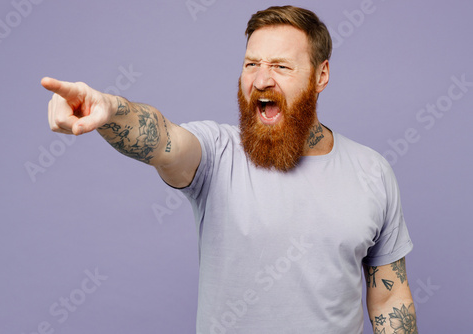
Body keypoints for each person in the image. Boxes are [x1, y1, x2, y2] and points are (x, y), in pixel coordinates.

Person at [42, 5, 417, 334]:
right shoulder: (218, 154)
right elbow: (161, 139)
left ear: (321, 75)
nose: (261, 79)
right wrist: (110, 110)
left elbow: (388, 300)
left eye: (281, 66)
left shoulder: (372, 172)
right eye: (251, 63)